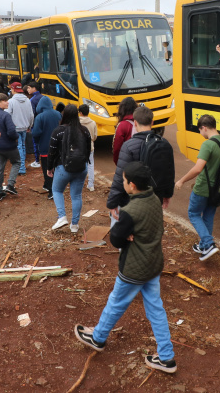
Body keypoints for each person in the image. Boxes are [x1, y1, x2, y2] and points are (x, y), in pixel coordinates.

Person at [74, 161, 177, 375]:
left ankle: (98, 338)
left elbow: (116, 239)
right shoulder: (154, 199)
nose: (122, 183)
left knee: (117, 301)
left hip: (134, 268)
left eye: (123, 181)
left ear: (131, 185)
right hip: (153, 264)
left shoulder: (130, 211)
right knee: (156, 309)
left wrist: (125, 233)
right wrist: (129, 233)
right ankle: (166, 358)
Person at [108, 106, 174, 225]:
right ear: (152, 122)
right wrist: (168, 194)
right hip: (155, 197)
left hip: (133, 199)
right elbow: (169, 171)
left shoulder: (129, 146)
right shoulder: (163, 143)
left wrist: (112, 203)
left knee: (130, 229)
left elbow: (119, 177)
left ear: (135, 123)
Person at [175, 114, 220, 261]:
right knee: (208, 215)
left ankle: (209, 244)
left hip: (204, 187)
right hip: (217, 188)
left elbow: (198, 169)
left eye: (200, 131)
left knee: (194, 214)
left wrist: (181, 181)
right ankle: (204, 246)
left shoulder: (208, 144)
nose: (200, 134)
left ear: (204, 128)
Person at [46, 105, 92, 233]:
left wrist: (49, 168)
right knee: (76, 195)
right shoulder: (84, 130)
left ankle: (62, 217)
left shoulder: (58, 131)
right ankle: (75, 225)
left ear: (64, 114)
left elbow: (52, 152)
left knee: (56, 190)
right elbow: (88, 150)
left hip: (63, 168)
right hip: (81, 168)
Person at [32, 93, 61, 199]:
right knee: (56, 167)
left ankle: (51, 190)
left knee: (47, 169)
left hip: (45, 147)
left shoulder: (39, 117)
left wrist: (37, 142)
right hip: (58, 147)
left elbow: (35, 133)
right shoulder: (58, 114)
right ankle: (55, 187)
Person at [7, 82, 35, 175]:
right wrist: (29, 125)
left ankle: (21, 168)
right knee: (22, 146)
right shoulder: (27, 100)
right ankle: (21, 166)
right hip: (25, 127)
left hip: (15, 128)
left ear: (14, 89)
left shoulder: (11, 101)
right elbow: (31, 115)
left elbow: (8, 115)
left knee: (19, 147)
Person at [78, 104, 98, 192]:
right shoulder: (93, 123)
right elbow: (94, 136)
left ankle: (79, 184)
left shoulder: (76, 122)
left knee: (78, 166)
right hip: (89, 147)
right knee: (90, 165)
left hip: (78, 147)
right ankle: (91, 185)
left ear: (80, 113)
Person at [112, 97, 137, 165]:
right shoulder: (139, 122)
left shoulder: (122, 125)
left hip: (127, 161)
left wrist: (117, 161)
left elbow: (117, 147)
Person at [27, 81, 44, 168]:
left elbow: (32, 114)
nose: (27, 89)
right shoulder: (44, 97)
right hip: (45, 123)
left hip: (36, 124)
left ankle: (37, 161)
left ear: (34, 88)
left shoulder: (32, 100)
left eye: (29, 88)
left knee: (36, 142)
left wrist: (30, 125)